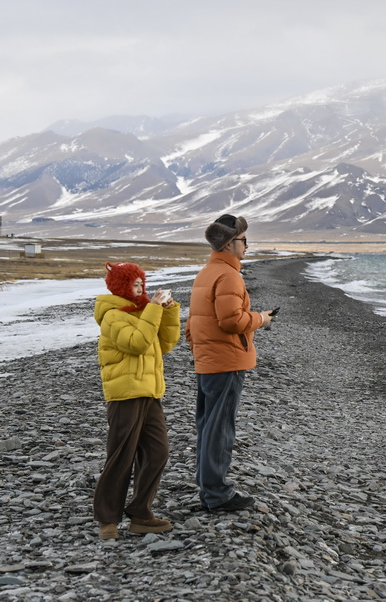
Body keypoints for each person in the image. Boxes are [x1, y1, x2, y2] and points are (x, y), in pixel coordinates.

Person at [185, 214, 274, 512]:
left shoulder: (207, 272)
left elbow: (193, 323)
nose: (247, 247)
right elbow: (231, 320)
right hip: (226, 361)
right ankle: (217, 494)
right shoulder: (228, 275)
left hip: (209, 359)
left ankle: (209, 487)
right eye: (244, 241)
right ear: (228, 244)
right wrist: (262, 319)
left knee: (208, 425)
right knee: (220, 428)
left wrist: (199, 349)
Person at [93, 261, 181, 540]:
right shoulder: (112, 315)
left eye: (142, 281)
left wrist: (167, 311)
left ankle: (141, 513)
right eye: (135, 283)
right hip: (125, 394)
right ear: (121, 286)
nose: (141, 286)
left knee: (157, 452)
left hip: (150, 391)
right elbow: (138, 343)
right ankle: (108, 521)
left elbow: (164, 344)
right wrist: (153, 309)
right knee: (121, 456)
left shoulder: (143, 311)